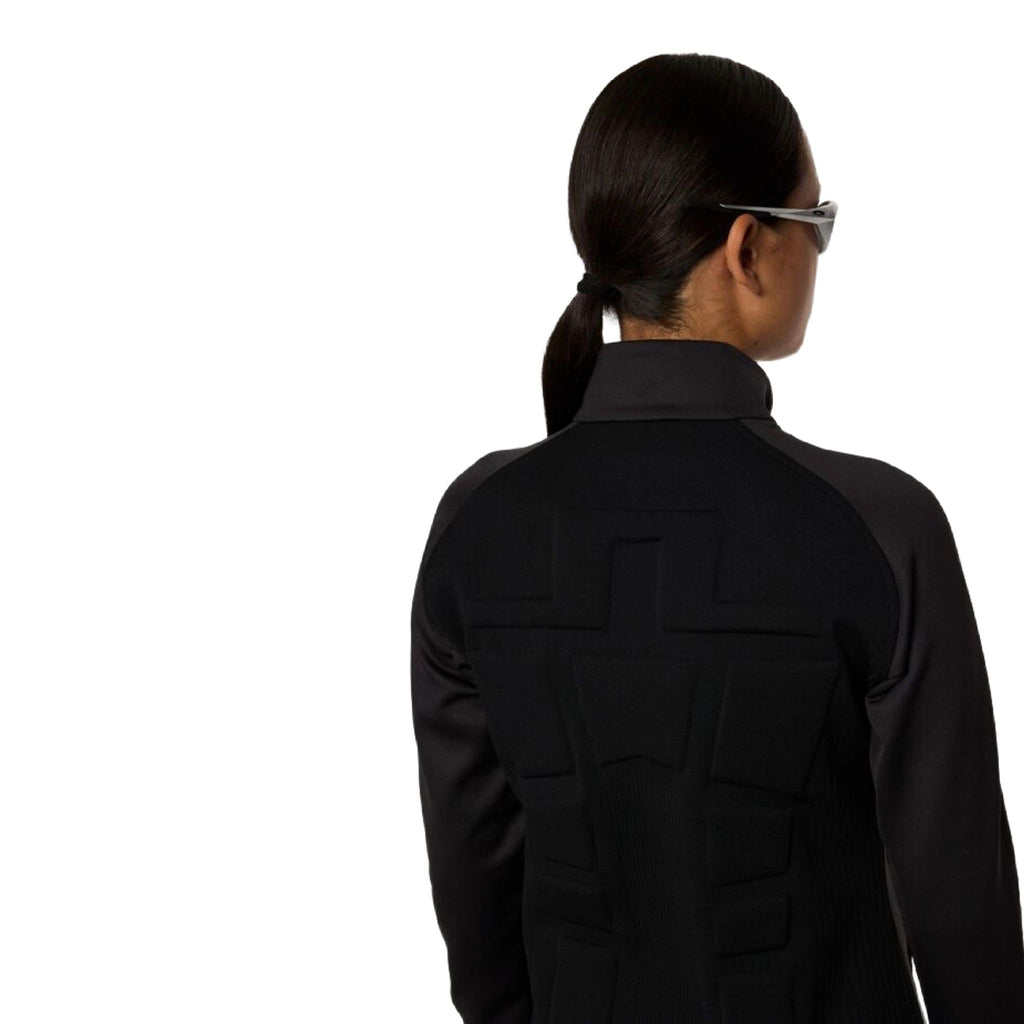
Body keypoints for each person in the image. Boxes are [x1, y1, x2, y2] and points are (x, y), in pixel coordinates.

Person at [409, 53, 1024, 1024]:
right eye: (815, 221)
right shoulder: (878, 526)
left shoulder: (475, 523)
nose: (818, 251)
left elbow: (478, 908)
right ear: (748, 247)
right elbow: (964, 921)